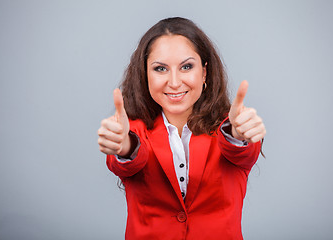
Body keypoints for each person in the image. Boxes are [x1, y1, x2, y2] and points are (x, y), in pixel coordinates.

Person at [97, 17, 266, 240]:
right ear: (145, 75)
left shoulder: (232, 127)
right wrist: (124, 146)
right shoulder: (131, 131)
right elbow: (131, 153)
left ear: (204, 72)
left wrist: (238, 134)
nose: (174, 82)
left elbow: (238, 148)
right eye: (160, 69)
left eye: (186, 67)